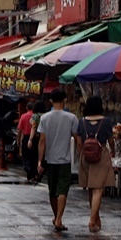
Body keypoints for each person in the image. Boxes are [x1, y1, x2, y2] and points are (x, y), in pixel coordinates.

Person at [36, 89, 79, 232]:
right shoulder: (72, 118)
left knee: (52, 191)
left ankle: (57, 217)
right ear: (65, 100)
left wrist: (40, 161)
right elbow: (77, 137)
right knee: (63, 190)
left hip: (50, 159)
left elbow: (42, 140)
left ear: (50, 101)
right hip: (65, 160)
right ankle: (59, 218)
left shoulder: (44, 118)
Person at [76, 96, 116, 232]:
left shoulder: (81, 122)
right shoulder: (106, 122)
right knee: (98, 189)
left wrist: (81, 153)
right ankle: (92, 221)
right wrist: (113, 152)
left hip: (86, 156)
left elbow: (79, 142)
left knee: (91, 188)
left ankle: (96, 218)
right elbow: (111, 140)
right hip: (101, 154)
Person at [16, 101, 36, 181]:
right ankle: (32, 172)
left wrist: (18, 140)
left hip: (26, 137)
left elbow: (20, 130)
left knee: (25, 156)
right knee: (33, 156)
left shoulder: (23, 116)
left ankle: (28, 168)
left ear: (27, 108)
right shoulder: (35, 116)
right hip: (34, 138)